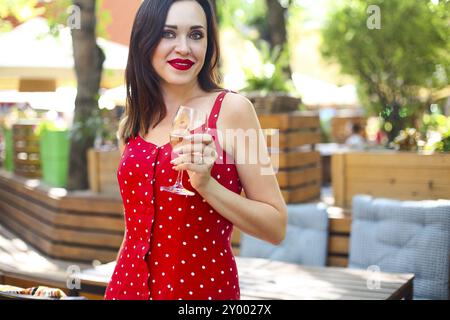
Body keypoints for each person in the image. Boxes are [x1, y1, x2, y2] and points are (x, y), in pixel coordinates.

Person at [104, 0, 287, 300]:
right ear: (145, 38)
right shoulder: (134, 119)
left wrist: (206, 185)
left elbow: (276, 226)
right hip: (126, 290)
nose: (184, 48)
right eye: (169, 33)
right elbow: (134, 232)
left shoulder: (235, 110)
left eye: (196, 35)